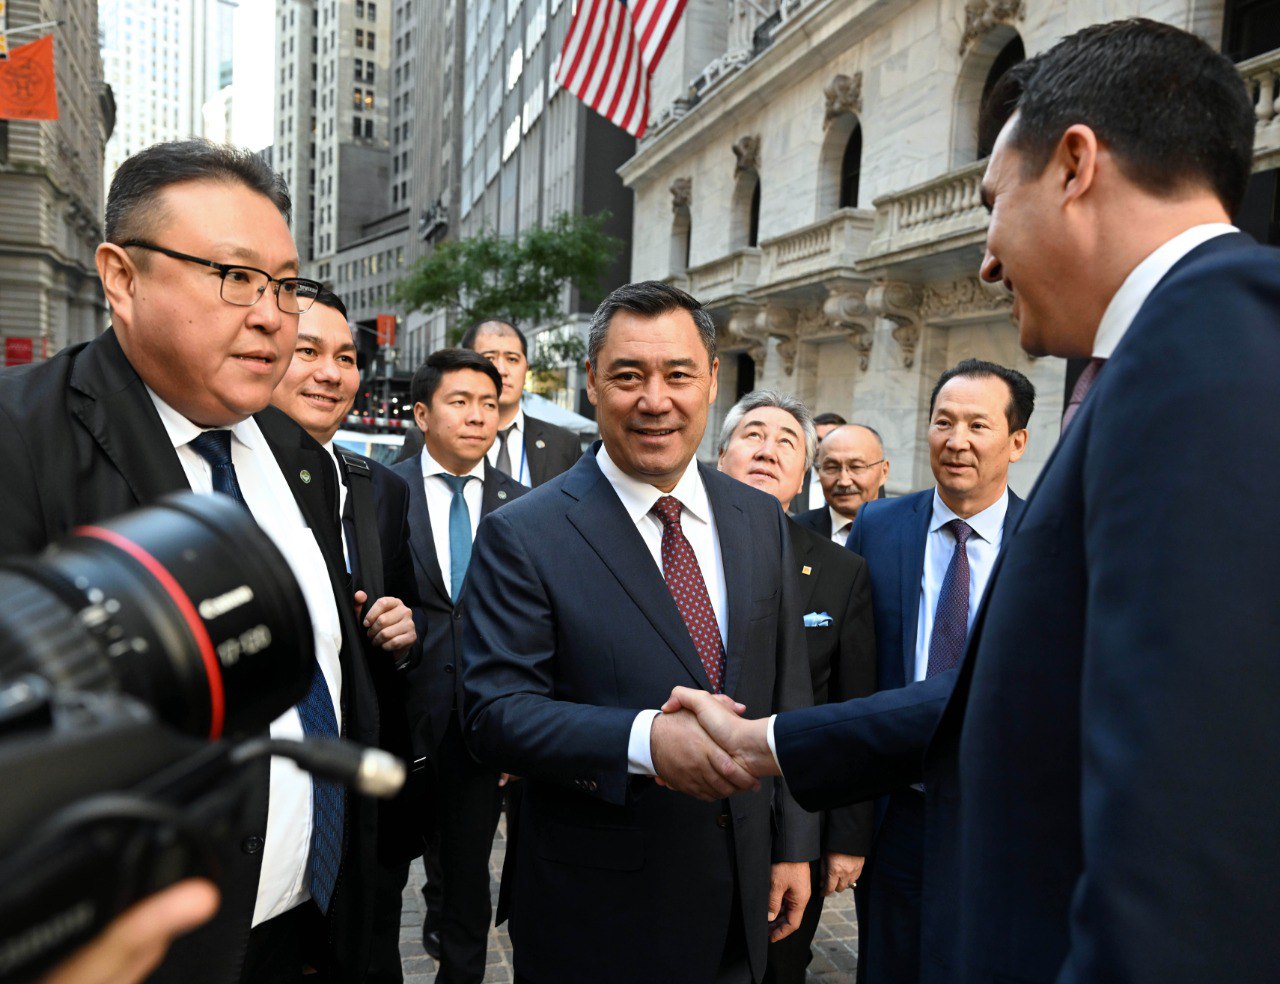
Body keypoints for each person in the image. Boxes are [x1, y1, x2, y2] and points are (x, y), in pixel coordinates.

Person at [663, 18, 1280, 983]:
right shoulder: (1174, 351)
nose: (987, 258)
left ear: (1074, 166)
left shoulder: (1212, 347)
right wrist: (767, 739)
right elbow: (1016, 689)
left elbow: (1201, 805)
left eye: (994, 203)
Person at [0, 140, 382, 982]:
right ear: (121, 277)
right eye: (235, 277)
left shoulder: (300, 455)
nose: (272, 315)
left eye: (286, 285)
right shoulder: (21, 443)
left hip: (317, 929)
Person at [459, 281, 817, 984]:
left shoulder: (759, 518)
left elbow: (789, 688)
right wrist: (645, 741)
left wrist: (793, 843)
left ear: (711, 379)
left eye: (678, 374)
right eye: (629, 376)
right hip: (597, 911)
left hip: (742, 897)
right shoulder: (522, 534)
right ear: (592, 381)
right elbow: (494, 716)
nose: (656, 400)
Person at [845, 359, 1031, 984]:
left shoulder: (1048, 540)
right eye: (943, 422)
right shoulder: (878, 527)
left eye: (978, 425)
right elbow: (852, 665)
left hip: (998, 814)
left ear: (1016, 442)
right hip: (897, 806)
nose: (957, 441)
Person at [270, 286, 423, 983]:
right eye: (308, 351)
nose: (330, 374)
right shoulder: (211, 479)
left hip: (362, 799)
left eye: (346, 357)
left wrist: (404, 630)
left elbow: (407, 610)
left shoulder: (378, 488)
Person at [715, 390, 876, 984]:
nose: (768, 450)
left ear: (803, 472)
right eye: (753, 435)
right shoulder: (671, 545)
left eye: (787, 442)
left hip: (789, 830)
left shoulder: (840, 570)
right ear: (721, 454)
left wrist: (845, 837)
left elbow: (853, 709)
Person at [390, 348, 527, 983]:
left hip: (481, 728)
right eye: (460, 402)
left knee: (469, 880)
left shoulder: (524, 506)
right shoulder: (380, 492)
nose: (477, 416)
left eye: (489, 405)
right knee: (381, 877)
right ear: (422, 413)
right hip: (396, 721)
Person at [461, 319, 582, 486]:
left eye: (512, 359)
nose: (501, 370)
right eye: (489, 358)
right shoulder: (440, 440)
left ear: (526, 369)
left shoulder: (564, 445)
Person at [793, 425, 889, 546]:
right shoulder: (794, 532)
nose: (844, 481)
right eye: (832, 467)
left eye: (856, 467)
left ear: (883, 472)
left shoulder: (906, 531)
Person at [790, 411, 845, 513]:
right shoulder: (792, 479)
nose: (821, 447)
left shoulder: (857, 482)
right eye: (818, 440)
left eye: (830, 440)